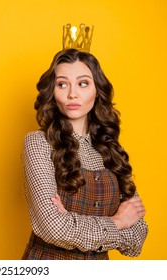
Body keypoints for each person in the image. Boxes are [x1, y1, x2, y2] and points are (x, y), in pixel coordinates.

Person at [21, 48, 148, 260]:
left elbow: (137, 237)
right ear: (52, 91)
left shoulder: (112, 149)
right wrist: (118, 221)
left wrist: (71, 224)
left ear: (97, 90)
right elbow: (54, 229)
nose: (72, 94)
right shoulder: (38, 143)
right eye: (62, 84)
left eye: (83, 83)